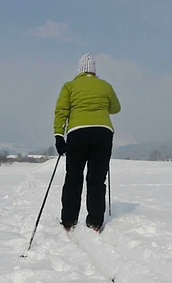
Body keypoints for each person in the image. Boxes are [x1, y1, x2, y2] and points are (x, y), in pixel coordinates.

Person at [54, 53, 121, 232]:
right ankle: (95, 221)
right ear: (94, 70)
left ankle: (68, 220)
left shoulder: (70, 86)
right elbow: (116, 108)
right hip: (103, 133)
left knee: (73, 177)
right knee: (97, 178)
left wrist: (59, 135)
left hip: (77, 133)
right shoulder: (105, 86)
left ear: (80, 70)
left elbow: (61, 111)